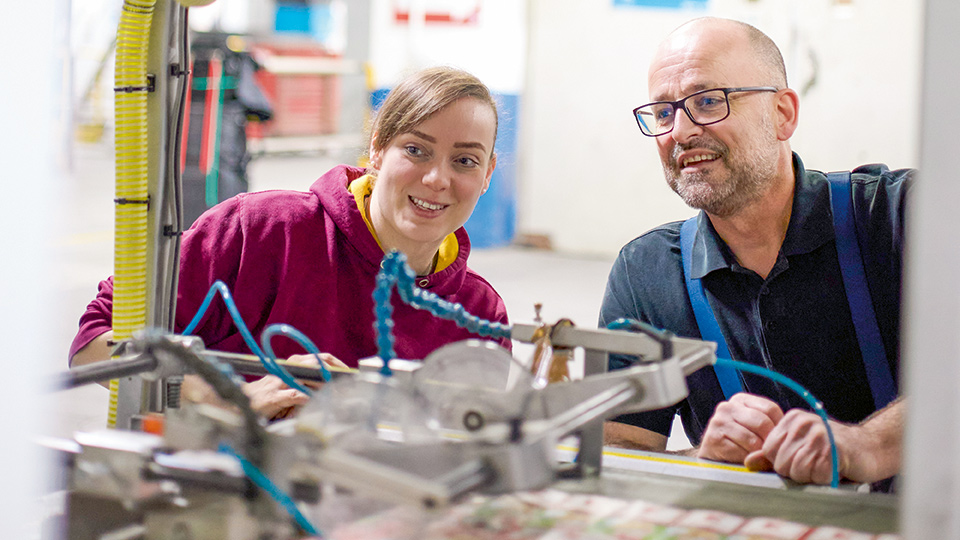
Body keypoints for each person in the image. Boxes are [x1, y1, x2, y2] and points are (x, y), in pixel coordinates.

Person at [70, 66, 510, 420]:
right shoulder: (261, 230)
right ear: (376, 150)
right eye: (416, 150)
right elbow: (93, 345)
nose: (436, 179)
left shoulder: (479, 316)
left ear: (487, 174)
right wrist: (223, 400)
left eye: (465, 161)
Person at [599, 17, 908, 487]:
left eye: (707, 101)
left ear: (783, 114)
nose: (680, 131)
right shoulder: (646, 272)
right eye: (663, 113)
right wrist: (702, 457)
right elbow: (616, 454)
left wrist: (868, 445)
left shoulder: (898, 216)